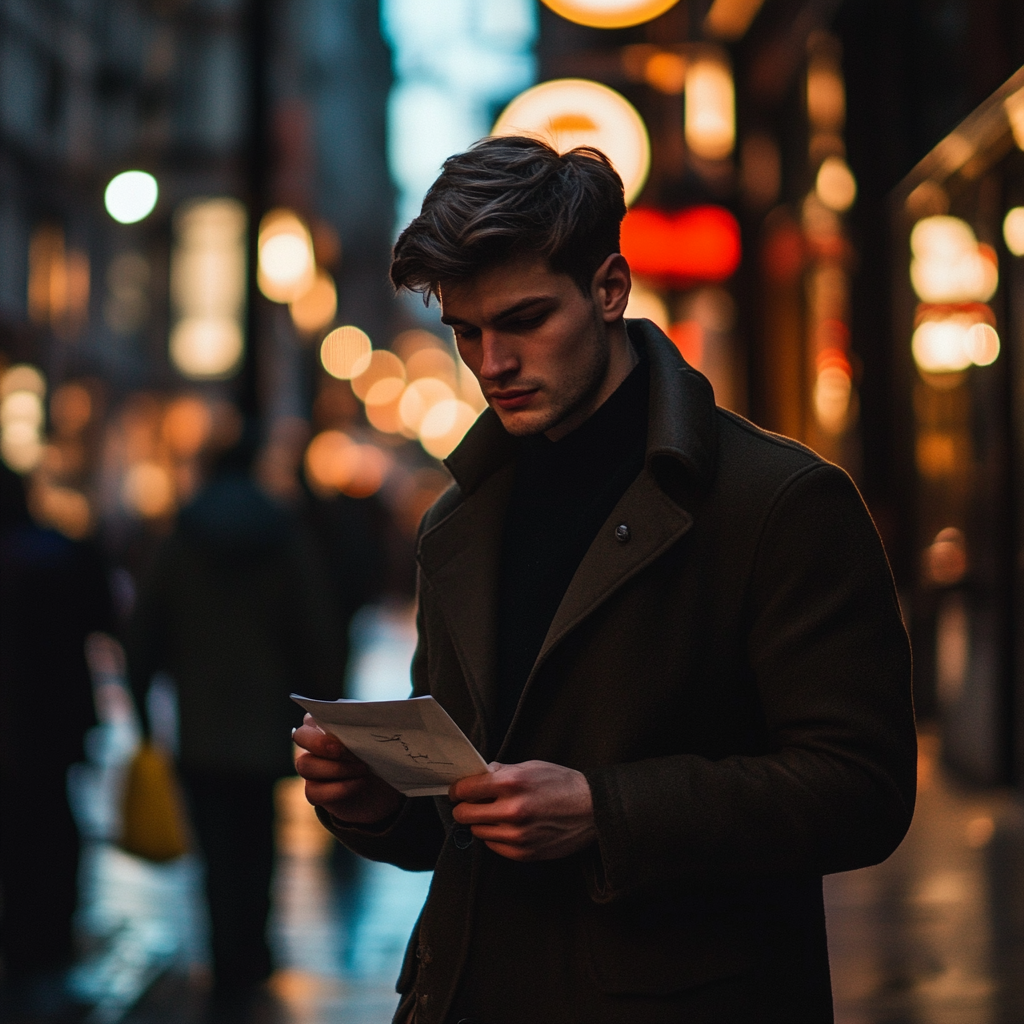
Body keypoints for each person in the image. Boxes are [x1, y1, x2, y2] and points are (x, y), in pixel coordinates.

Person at [293, 137, 916, 1024]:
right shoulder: (458, 521)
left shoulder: (780, 503)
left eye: (524, 319)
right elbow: (459, 803)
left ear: (610, 289)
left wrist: (605, 812)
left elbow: (864, 788)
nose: (491, 362)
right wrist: (376, 801)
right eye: (466, 331)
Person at [127, 426, 345, 994]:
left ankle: (226, 956)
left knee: (216, 847)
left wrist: (145, 716)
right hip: (262, 720)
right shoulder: (282, 536)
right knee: (257, 840)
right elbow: (314, 629)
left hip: (200, 723)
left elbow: (146, 632)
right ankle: (256, 946)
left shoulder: (182, 539)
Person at [0, 463, 113, 1014]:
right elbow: (106, 618)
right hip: (54, 721)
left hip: (20, 721)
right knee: (51, 825)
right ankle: (46, 938)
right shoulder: (61, 553)